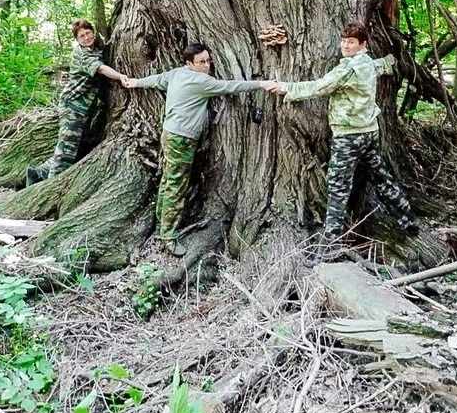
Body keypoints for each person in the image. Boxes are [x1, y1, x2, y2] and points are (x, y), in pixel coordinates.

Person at [265, 22, 418, 266]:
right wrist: (389, 61)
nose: (345, 46)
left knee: (337, 188)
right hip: (369, 132)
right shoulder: (367, 62)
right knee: (381, 177)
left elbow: (320, 87)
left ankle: (329, 248)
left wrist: (285, 88)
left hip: (349, 136)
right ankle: (408, 220)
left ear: (362, 45)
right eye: (344, 41)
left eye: (351, 42)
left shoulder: (348, 69)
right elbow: (380, 66)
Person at [122, 43, 269, 256]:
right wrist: (261, 84)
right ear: (189, 63)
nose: (207, 65)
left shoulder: (176, 74)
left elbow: (156, 80)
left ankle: (160, 221)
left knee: (169, 180)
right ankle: (168, 236)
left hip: (170, 134)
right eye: (202, 62)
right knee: (176, 185)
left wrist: (135, 82)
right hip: (182, 139)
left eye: (208, 60)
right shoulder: (201, 81)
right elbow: (231, 86)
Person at [26, 19, 125, 187]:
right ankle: (50, 187)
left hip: (84, 108)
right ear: (77, 40)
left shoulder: (95, 49)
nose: (86, 38)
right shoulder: (82, 53)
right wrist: (121, 76)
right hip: (72, 106)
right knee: (66, 151)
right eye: (81, 36)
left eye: (88, 33)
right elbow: (100, 68)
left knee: (72, 147)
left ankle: (37, 173)